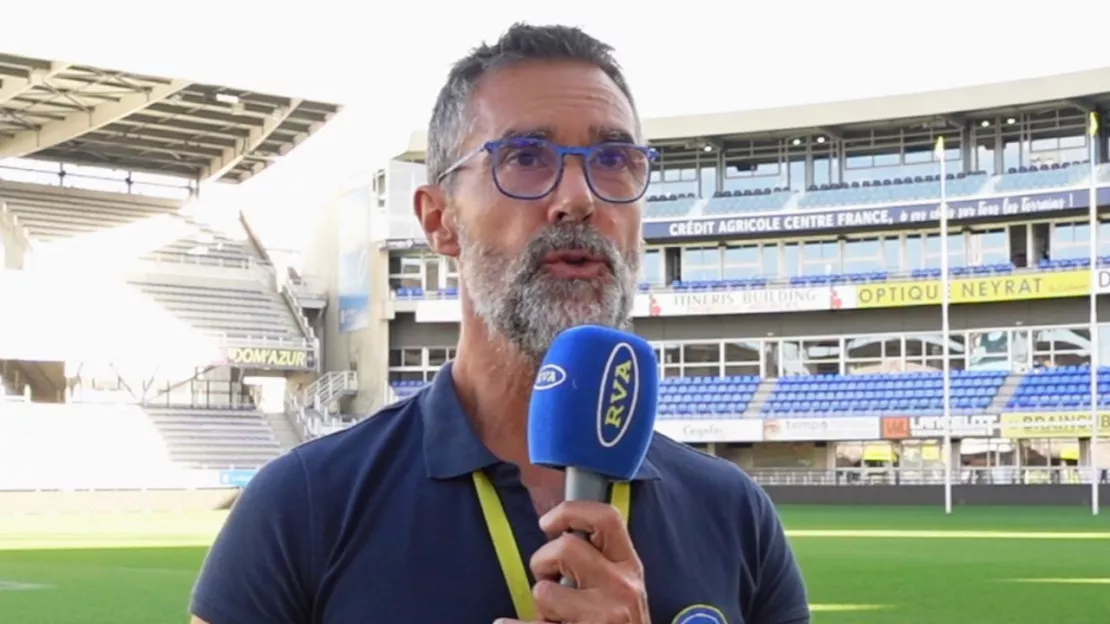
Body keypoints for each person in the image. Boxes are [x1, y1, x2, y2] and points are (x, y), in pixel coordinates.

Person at [189, 23, 810, 624]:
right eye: (526, 157)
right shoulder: (303, 503)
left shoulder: (734, 512)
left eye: (615, 158)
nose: (579, 197)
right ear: (440, 220)